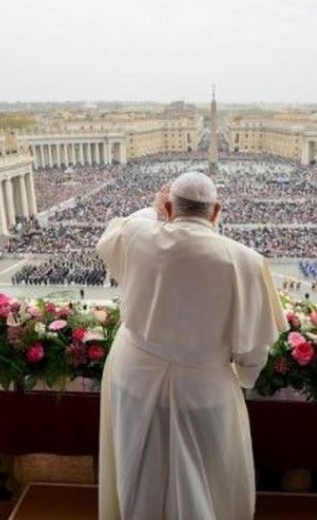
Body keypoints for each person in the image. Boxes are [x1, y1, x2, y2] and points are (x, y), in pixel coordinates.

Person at [96, 171, 287, 520]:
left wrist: (154, 210)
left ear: (167, 207)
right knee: (206, 479)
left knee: (137, 470)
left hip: (132, 375)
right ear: (217, 212)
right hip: (204, 386)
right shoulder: (246, 261)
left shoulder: (139, 234)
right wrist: (245, 377)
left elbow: (115, 232)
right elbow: (253, 352)